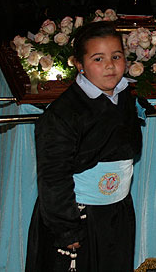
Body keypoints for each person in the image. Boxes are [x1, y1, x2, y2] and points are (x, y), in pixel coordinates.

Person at [25, 21, 144, 271]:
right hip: (78, 214)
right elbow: (53, 177)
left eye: (116, 56)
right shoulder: (63, 114)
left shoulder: (124, 96)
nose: (110, 66)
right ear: (79, 65)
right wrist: (67, 229)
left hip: (115, 212)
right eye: (98, 59)